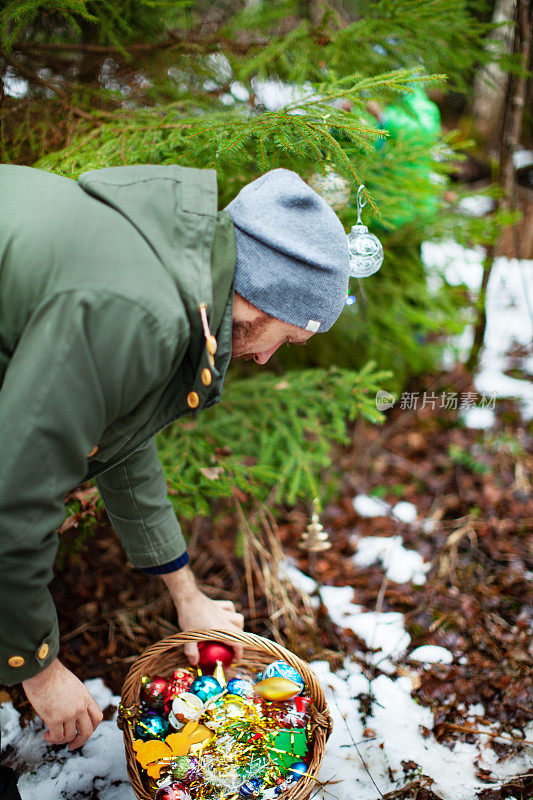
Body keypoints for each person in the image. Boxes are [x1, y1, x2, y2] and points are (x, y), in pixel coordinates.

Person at [0, 164, 350, 798]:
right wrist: (37, 666)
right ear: (263, 295)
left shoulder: (167, 276)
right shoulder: (138, 310)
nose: (267, 357)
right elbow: (9, 504)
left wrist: (184, 591)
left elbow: (122, 441)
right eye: (284, 338)